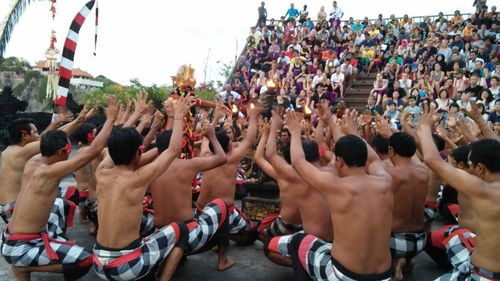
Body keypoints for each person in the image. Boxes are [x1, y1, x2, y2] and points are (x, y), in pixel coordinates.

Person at [0, 96, 118, 281]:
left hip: (10, 238)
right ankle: (25, 269)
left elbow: (52, 137)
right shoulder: (49, 171)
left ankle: (47, 250)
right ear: (64, 150)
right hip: (21, 246)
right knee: (84, 261)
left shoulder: (33, 161)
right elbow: (94, 150)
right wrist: (111, 119)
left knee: (61, 204)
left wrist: (77, 120)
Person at [283, 109, 393, 281]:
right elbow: (374, 160)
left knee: (298, 241)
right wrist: (352, 132)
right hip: (385, 276)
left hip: (344, 275)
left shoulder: (335, 185)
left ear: (339, 161)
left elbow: (297, 162)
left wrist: (295, 133)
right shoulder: (385, 181)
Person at [92, 96, 193, 281]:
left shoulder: (102, 170)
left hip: (98, 263)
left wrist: (133, 115)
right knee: (180, 230)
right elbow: (172, 150)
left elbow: (116, 141)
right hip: (127, 266)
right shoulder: (138, 178)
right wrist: (178, 116)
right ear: (139, 151)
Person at [417, 109, 500, 281]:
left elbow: (432, 160)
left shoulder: (483, 189)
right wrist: (479, 121)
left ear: (480, 168)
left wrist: (425, 127)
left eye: (470, 163)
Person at [150, 114, 231, 270]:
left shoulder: (148, 169)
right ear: (178, 145)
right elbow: (221, 158)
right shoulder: (188, 165)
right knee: (221, 205)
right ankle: (223, 261)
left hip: (160, 234)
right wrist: (212, 136)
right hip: (188, 233)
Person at [263, 108, 333, 267]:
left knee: (269, 247)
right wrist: (324, 122)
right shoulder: (334, 171)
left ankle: (307, 265)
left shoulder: (297, 176)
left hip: (313, 242)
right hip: (337, 240)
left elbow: (270, 155)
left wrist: (276, 126)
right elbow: (322, 144)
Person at [196, 102, 262, 269]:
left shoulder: (204, 155)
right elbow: (249, 140)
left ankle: (216, 238)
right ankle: (222, 259)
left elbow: (206, 136)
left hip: (202, 210)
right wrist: (253, 116)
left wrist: (216, 118)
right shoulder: (230, 158)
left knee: (224, 216)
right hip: (223, 212)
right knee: (250, 234)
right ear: (228, 145)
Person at [384, 131, 429, 281]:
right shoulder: (424, 171)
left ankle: (395, 262)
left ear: (391, 150)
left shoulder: (389, 172)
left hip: (395, 242)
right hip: (422, 240)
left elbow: (371, 159)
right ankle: (407, 259)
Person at [255, 121, 302, 241]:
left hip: (288, 225)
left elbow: (259, 157)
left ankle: (277, 244)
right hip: (307, 225)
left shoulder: (282, 174)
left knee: (259, 231)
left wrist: (265, 134)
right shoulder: (314, 172)